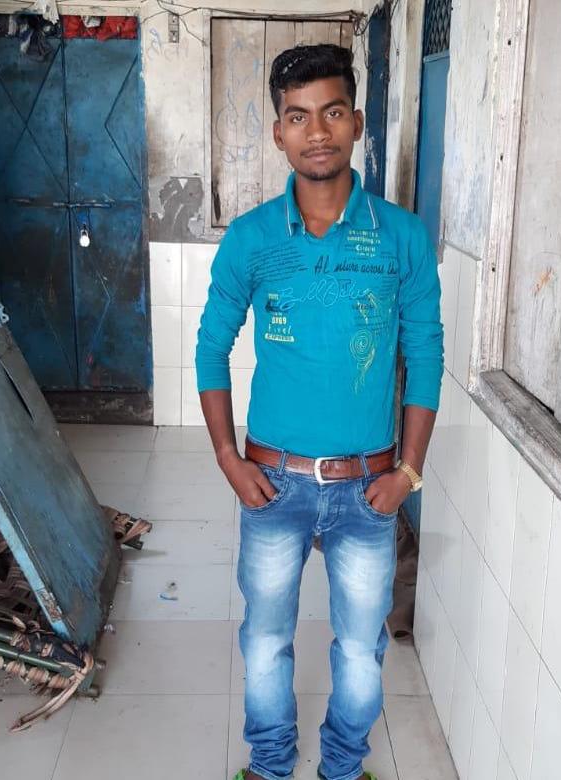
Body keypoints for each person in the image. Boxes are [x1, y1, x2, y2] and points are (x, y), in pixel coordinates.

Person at [195, 43, 443, 780]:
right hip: (272, 484)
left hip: (369, 488)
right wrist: (227, 458)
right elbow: (210, 349)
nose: (316, 132)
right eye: (297, 117)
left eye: (331, 112)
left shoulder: (401, 237)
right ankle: (270, 766)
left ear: (356, 122)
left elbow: (425, 356)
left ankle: (342, 769)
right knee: (266, 640)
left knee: (360, 649)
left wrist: (408, 472)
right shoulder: (251, 239)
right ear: (278, 132)